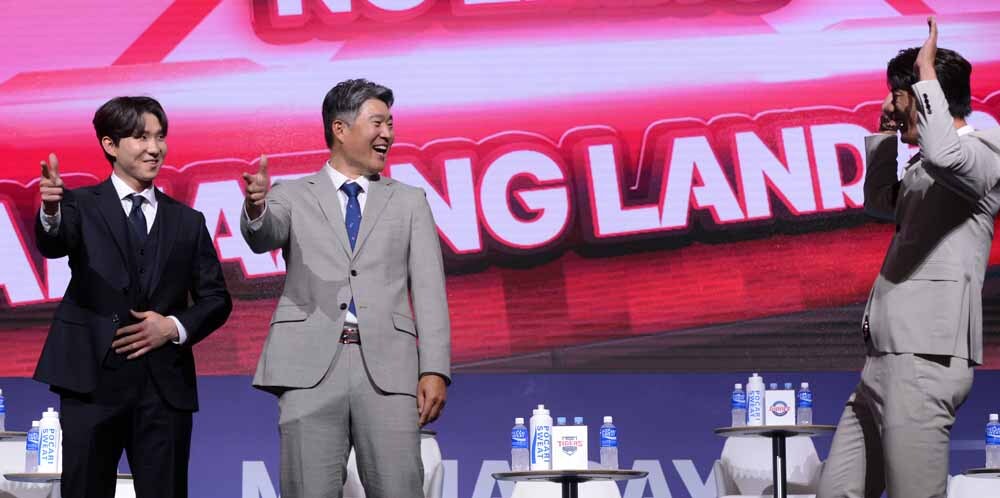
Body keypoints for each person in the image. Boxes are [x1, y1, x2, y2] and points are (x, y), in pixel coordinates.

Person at [240, 79, 451, 498]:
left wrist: (435, 368)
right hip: (309, 368)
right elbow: (263, 235)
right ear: (340, 129)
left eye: (390, 124)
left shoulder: (409, 201)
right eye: (378, 123)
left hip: (389, 371)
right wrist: (256, 205)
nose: (388, 134)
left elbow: (429, 290)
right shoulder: (291, 194)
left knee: (400, 488)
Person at [818, 18, 1000, 498]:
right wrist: (886, 134)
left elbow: (947, 158)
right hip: (882, 361)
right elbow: (882, 203)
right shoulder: (926, 164)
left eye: (896, 97)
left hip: (924, 360)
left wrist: (925, 74)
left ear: (926, 95)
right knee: (835, 491)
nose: (889, 106)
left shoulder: (986, 152)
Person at [34, 96, 233, 498]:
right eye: (142, 137)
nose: (154, 148)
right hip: (91, 383)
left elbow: (216, 298)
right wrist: (51, 211)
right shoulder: (78, 205)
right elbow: (54, 243)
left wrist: (172, 327)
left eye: (160, 137)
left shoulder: (187, 221)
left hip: (164, 390)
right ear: (110, 144)